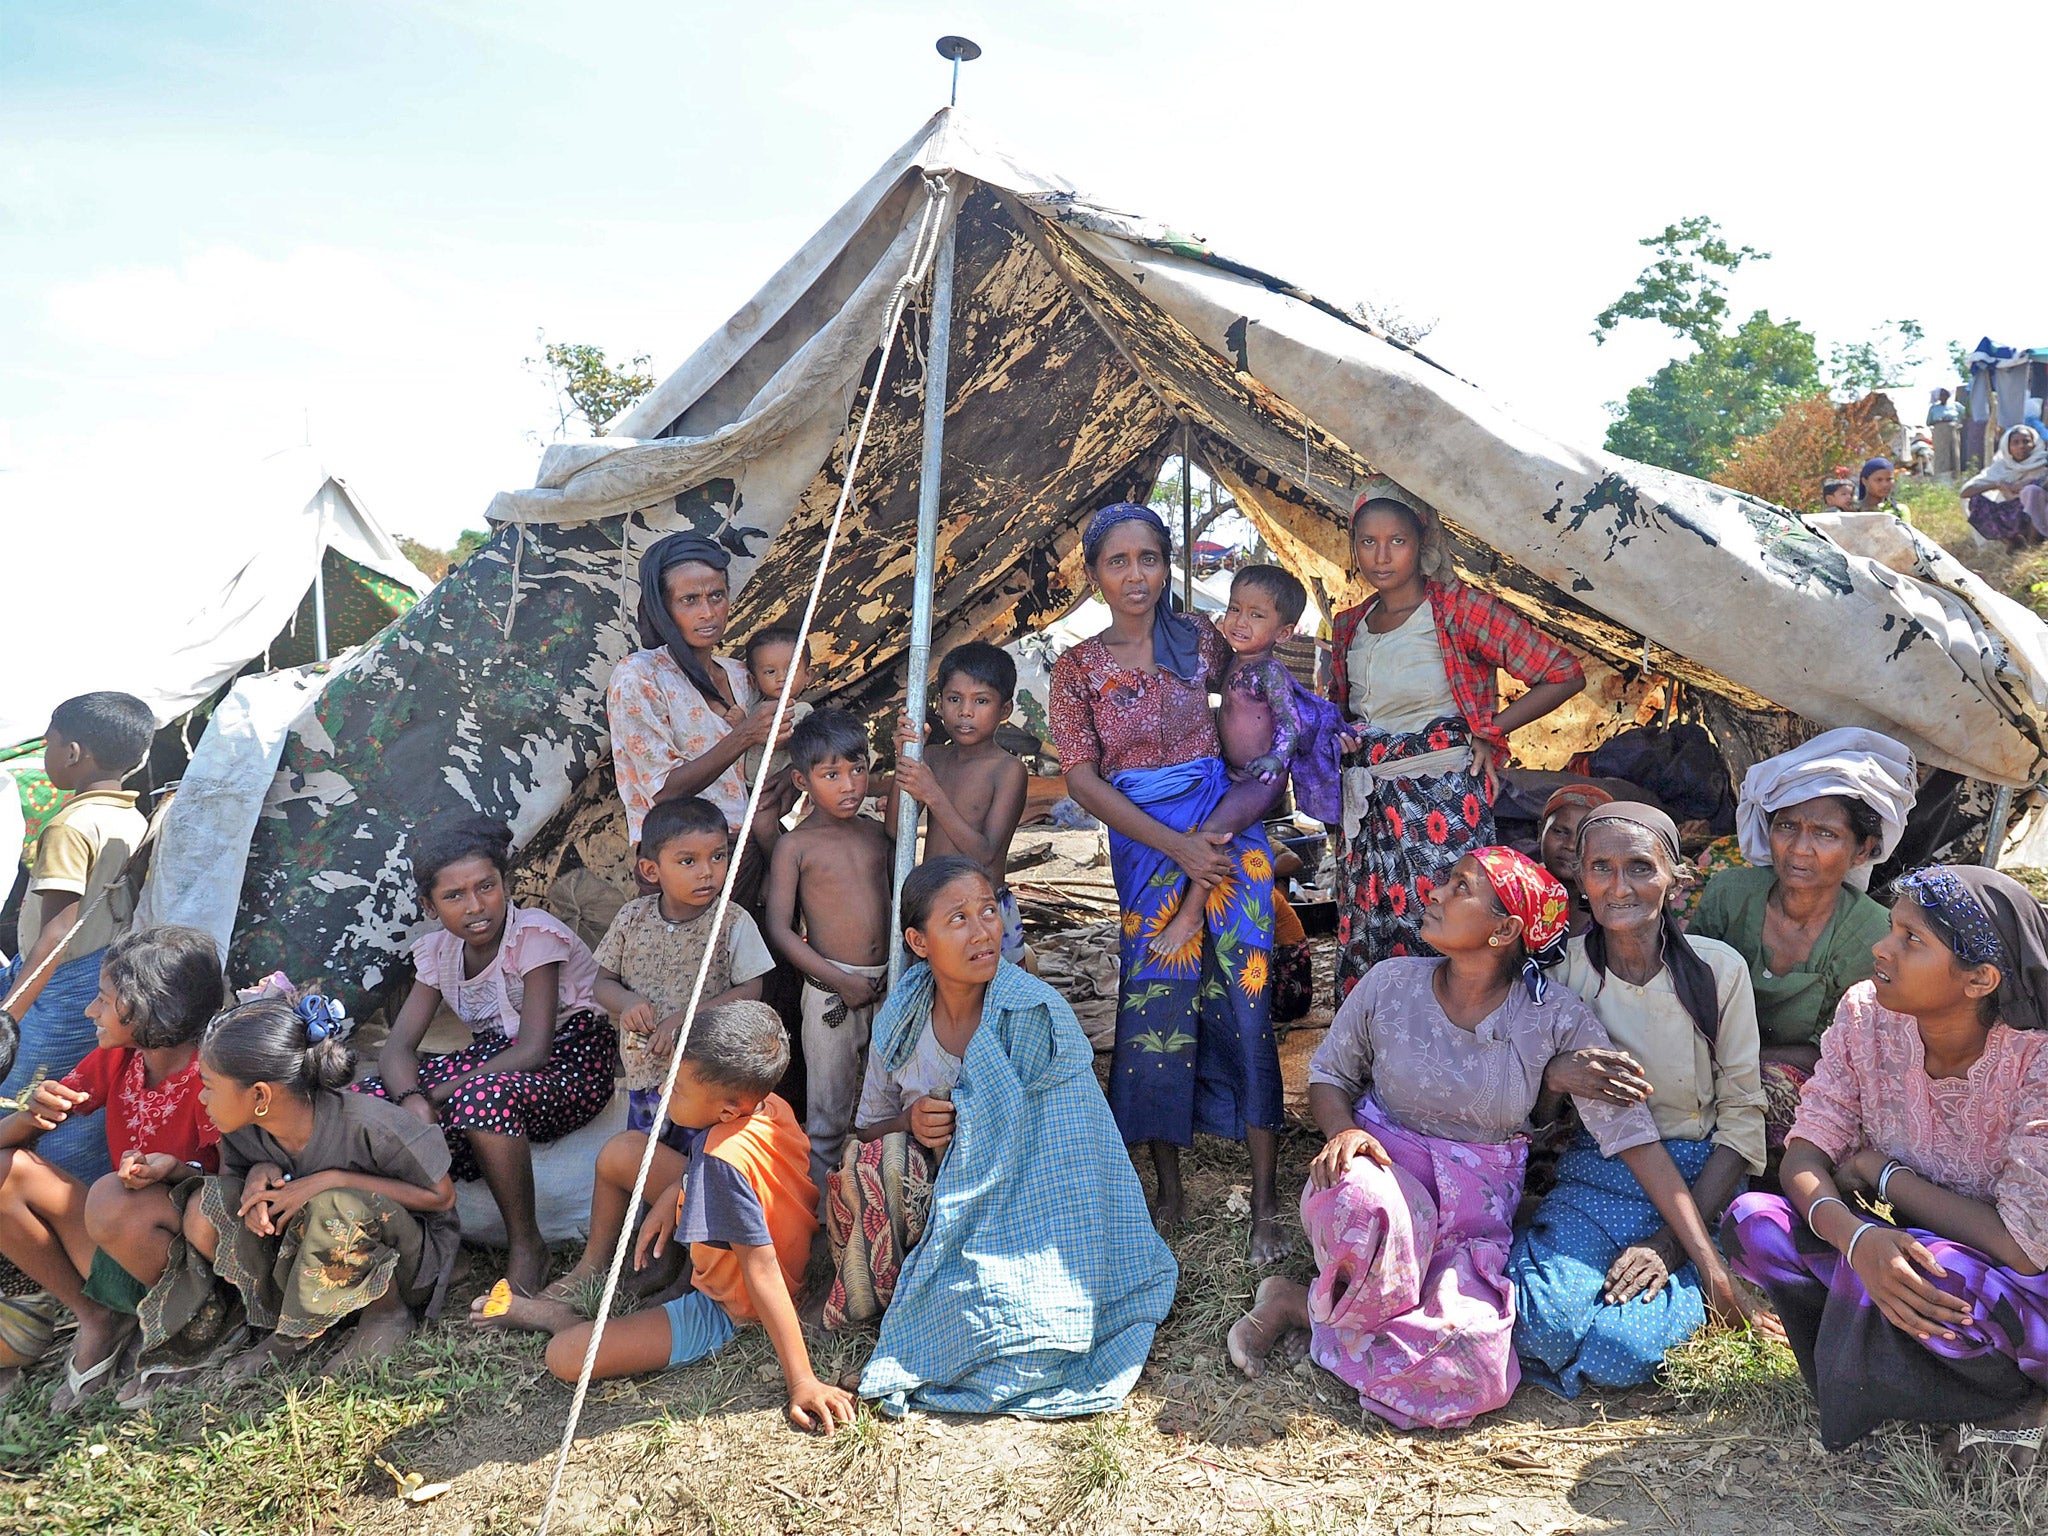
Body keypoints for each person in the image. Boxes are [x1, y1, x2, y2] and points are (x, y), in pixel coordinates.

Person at [1226, 848, 1695, 1430]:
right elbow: (1329, 1076)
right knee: (1365, 1206)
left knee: (1479, 1362)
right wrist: (1342, 1130)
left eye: (1460, 887)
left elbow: (1633, 1139)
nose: (1435, 893)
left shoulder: (1555, 1019)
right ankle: (1326, 1309)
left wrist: (1700, 1256)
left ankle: (1306, 1307)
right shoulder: (1390, 983)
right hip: (1377, 1181)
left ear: (1505, 929)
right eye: (1445, 882)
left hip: (1471, 1217)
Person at [1725, 867, 2048, 1469]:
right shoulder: (1867, 1014)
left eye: (1911, 939)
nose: (1882, 946)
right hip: (1899, 1245)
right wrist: (1859, 1237)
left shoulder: (2037, 1058)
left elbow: (2025, 1248)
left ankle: (2010, 1397)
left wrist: (1883, 1173)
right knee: (1754, 1221)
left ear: (1979, 979)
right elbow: (1806, 1151)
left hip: (2020, 1284)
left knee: (1938, 1268)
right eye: (1892, 928)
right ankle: (1904, 1371)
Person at [846, 858, 1178, 1417]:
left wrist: (978, 1131)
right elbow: (867, 1127)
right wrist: (911, 1124)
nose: (982, 932)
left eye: (988, 912)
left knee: (1028, 1318)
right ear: (917, 941)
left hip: (1036, 1206)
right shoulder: (901, 1021)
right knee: (879, 1165)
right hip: (943, 1197)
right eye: (957, 919)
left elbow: (1074, 1146)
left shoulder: (1038, 1015)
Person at [1045, 502, 1285, 1261]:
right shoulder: (1076, 667)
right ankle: (1168, 1186)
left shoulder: (1204, 641)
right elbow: (1082, 782)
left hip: (1224, 833)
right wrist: (1176, 849)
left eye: (1149, 558)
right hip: (1149, 846)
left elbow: (1262, 695)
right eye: (1118, 562)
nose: (1136, 575)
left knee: (1247, 998)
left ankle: (1267, 1198)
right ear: (1094, 575)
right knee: (1155, 1004)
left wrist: (1211, 831)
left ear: (1167, 563)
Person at [470, 1000, 856, 1435]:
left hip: (732, 1306)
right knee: (625, 1152)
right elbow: (737, 1173)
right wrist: (680, 1189)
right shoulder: (769, 1106)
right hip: (753, 1220)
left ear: (729, 1110)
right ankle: (589, 1270)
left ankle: (563, 1318)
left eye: (677, 1088)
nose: (661, 1092)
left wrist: (802, 1381)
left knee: (565, 1354)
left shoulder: (720, 1165)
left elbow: (761, 1269)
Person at [1509, 802, 1778, 1397]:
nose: (1619, 885)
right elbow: (1529, 1112)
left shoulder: (1716, 971)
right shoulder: (1561, 974)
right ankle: (1547, 1246)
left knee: (1618, 1353)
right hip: (1594, 1177)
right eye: (1601, 867)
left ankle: (1702, 1271)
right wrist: (1557, 1077)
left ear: (1674, 878)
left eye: (1640, 867)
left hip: (1697, 1181)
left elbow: (1740, 1117)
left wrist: (1671, 1246)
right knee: (1542, 1328)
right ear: (1578, 876)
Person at [117, 998, 458, 1396]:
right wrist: (255, 1179)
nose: (202, 1099)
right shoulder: (244, 1129)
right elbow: (232, 1176)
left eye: (208, 1086)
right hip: (315, 1255)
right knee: (208, 1207)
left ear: (260, 1095)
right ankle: (289, 1313)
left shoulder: (368, 1124)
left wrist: (332, 1179)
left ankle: (383, 1315)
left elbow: (440, 1198)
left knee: (334, 1205)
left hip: (409, 1265)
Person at [1329, 477, 1585, 997]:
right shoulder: (1348, 625)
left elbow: (1562, 671)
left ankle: (1455, 1059)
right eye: (1367, 542)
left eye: (1396, 541)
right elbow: (1343, 712)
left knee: (1444, 927)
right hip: (1366, 807)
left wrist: (1490, 730)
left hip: (1439, 803)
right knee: (1368, 931)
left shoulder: (1457, 609)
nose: (1381, 556)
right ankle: (1379, 1062)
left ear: (1421, 545)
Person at [356, 815, 613, 1298]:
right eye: (454, 896)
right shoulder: (438, 953)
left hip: (571, 1056)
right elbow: (397, 1048)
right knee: (366, 1096)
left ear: (506, 884)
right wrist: (412, 1098)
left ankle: (526, 1245)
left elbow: (534, 1048)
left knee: (479, 1098)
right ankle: (419, 1245)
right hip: (496, 1057)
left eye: (486, 887)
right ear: (430, 906)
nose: (476, 907)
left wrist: (440, 1092)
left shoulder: (533, 934)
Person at [0, 926, 223, 1408]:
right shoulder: (120, 1058)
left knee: (115, 1198)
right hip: (119, 1237)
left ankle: (191, 1324)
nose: (89, 1011)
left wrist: (174, 1172)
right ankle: (99, 1316)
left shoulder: (212, 1075)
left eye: (103, 1000)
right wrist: (30, 1114)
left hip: (190, 1256)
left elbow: (232, 1188)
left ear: (148, 1008)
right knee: (4, 1171)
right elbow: (8, 1142)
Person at [1691, 730, 1913, 1157]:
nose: (1799, 849)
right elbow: (1687, 986)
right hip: (1707, 1055)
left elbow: (1836, 1052)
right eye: (1787, 826)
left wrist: (1737, 1063)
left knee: (1764, 1093)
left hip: (1795, 1075)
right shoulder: (1731, 892)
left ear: (1863, 850)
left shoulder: (1871, 934)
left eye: (1825, 835)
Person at [1146, 564, 1350, 961]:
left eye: (1257, 615)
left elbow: (1289, 720)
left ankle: (1190, 915)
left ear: (1284, 632)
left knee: (1214, 832)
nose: (1240, 621)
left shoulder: (1267, 670)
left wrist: (1276, 756)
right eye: (1235, 609)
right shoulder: (1233, 661)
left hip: (1260, 780)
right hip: (1231, 773)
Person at [0, 691, 154, 1183]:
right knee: (71, 1096)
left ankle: (27, 1200)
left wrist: (10, 1016)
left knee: (20, 1092)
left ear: (72, 753)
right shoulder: (130, 818)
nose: (46, 753)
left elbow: (59, 929)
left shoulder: (68, 825)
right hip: (104, 979)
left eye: (49, 742)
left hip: (59, 984)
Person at [607, 531, 792, 893]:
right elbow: (664, 792)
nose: (707, 613)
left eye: (716, 596)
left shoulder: (743, 675)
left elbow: (776, 752)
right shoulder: (639, 676)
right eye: (689, 600)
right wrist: (744, 735)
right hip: (684, 862)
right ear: (663, 607)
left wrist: (788, 777)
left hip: (750, 850)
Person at [762, 707, 893, 1198]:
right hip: (829, 993)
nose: (849, 785)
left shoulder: (876, 834)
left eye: (858, 770)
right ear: (802, 780)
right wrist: (840, 981)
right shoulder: (797, 847)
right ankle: (818, 1213)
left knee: (887, 1094)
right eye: (831, 774)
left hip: (889, 982)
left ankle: (882, 1192)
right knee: (828, 1107)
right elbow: (780, 929)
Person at [592, 797, 776, 1136]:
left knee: (697, 1164)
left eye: (718, 856)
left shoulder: (733, 921)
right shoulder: (632, 918)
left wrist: (686, 1021)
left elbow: (752, 990)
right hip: (645, 1070)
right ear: (651, 870)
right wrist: (628, 1003)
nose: (707, 871)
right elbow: (602, 983)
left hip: (705, 1082)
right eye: (688, 861)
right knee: (648, 1161)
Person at [887, 641, 1031, 965]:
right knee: (939, 998)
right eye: (954, 699)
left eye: (981, 701)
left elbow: (985, 853)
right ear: (939, 703)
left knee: (995, 1002)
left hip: (984, 908)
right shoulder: (933, 757)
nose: (965, 711)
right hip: (936, 905)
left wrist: (933, 795)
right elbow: (896, 829)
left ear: (1004, 710)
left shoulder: (1008, 770)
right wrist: (905, 756)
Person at [737, 625, 812, 821]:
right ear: (754, 680)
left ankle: (778, 850)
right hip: (743, 785)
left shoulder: (802, 711)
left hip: (773, 786)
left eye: (791, 669)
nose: (781, 678)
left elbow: (782, 740)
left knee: (763, 824)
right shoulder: (752, 705)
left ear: (808, 675)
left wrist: (743, 727)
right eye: (770, 672)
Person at [1537, 783, 1614, 937]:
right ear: (1540, 832)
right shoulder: (1516, 890)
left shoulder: (1615, 905)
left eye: (1585, 838)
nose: (1571, 845)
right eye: (1560, 832)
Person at [1961, 422, 2048, 547]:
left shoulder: (2043, 462)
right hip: (2012, 511)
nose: (2021, 446)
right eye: (2015, 443)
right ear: (2007, 447)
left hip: (2036, 514)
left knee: (2031, 491)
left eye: (2026, 441)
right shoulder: (2001, 467)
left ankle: (2033, 543)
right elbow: (1965, 493)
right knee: (1976, 502)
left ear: (2034, 444)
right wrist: (1998, 485)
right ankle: (2014, 543)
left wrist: (2025, 485)